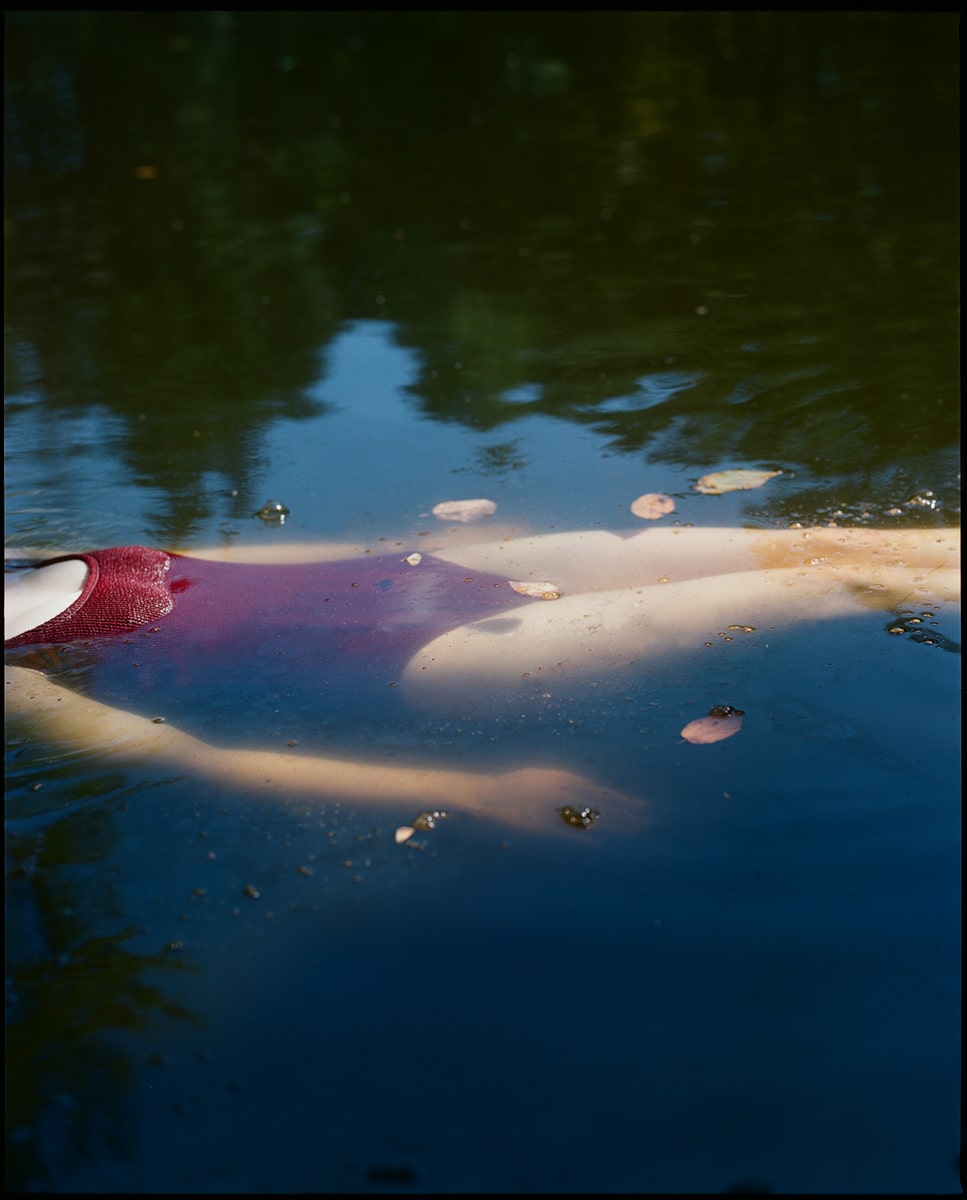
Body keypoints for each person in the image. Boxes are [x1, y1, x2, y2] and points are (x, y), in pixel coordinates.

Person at [5, 522, 960, 830]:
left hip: (424, 571)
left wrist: (433, 544)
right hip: (425, 657)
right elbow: (200, 758)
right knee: (840, 583)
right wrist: (462, 787)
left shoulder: (17, 554)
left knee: (838, 541)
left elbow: (244, 561)